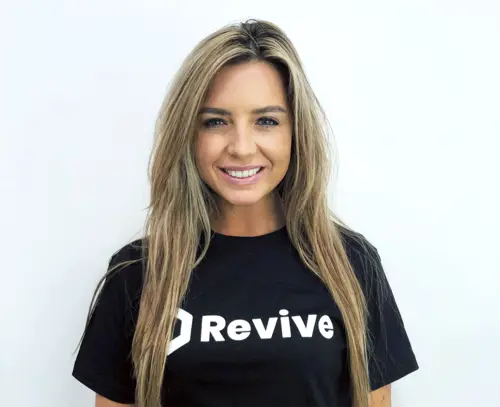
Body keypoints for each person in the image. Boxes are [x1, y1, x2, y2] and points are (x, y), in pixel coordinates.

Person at [72, 19, 418, 407]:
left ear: (295, 132)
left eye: (266, 121)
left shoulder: (350, 263)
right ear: (188, 133)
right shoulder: (138, 273)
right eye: (216, 121)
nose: (241, 147)